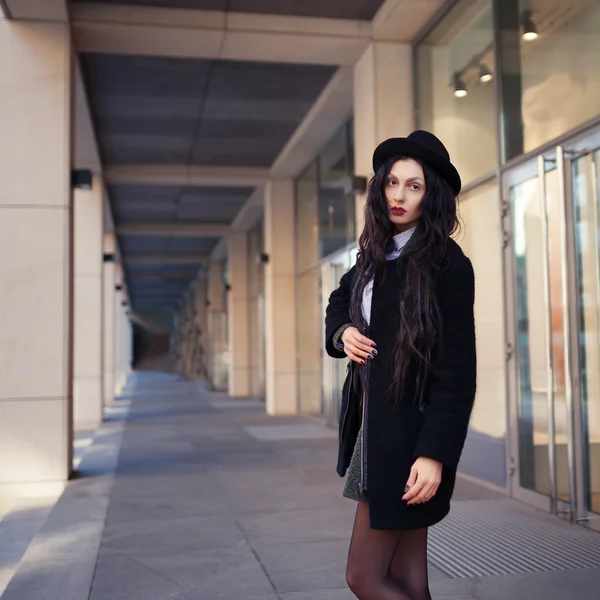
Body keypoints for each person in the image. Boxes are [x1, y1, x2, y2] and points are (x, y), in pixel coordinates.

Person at [325, 130, 477, 600]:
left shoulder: (446, 264)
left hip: (410, 441)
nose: (399, 195)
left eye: (414, 186)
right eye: (392, 183)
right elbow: (339, 299)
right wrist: (343, 333)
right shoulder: (374, 253)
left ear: (431, 195)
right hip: (375, 432)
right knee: (410, 580)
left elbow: (458, 371)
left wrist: (435, 454)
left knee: (363, 577)